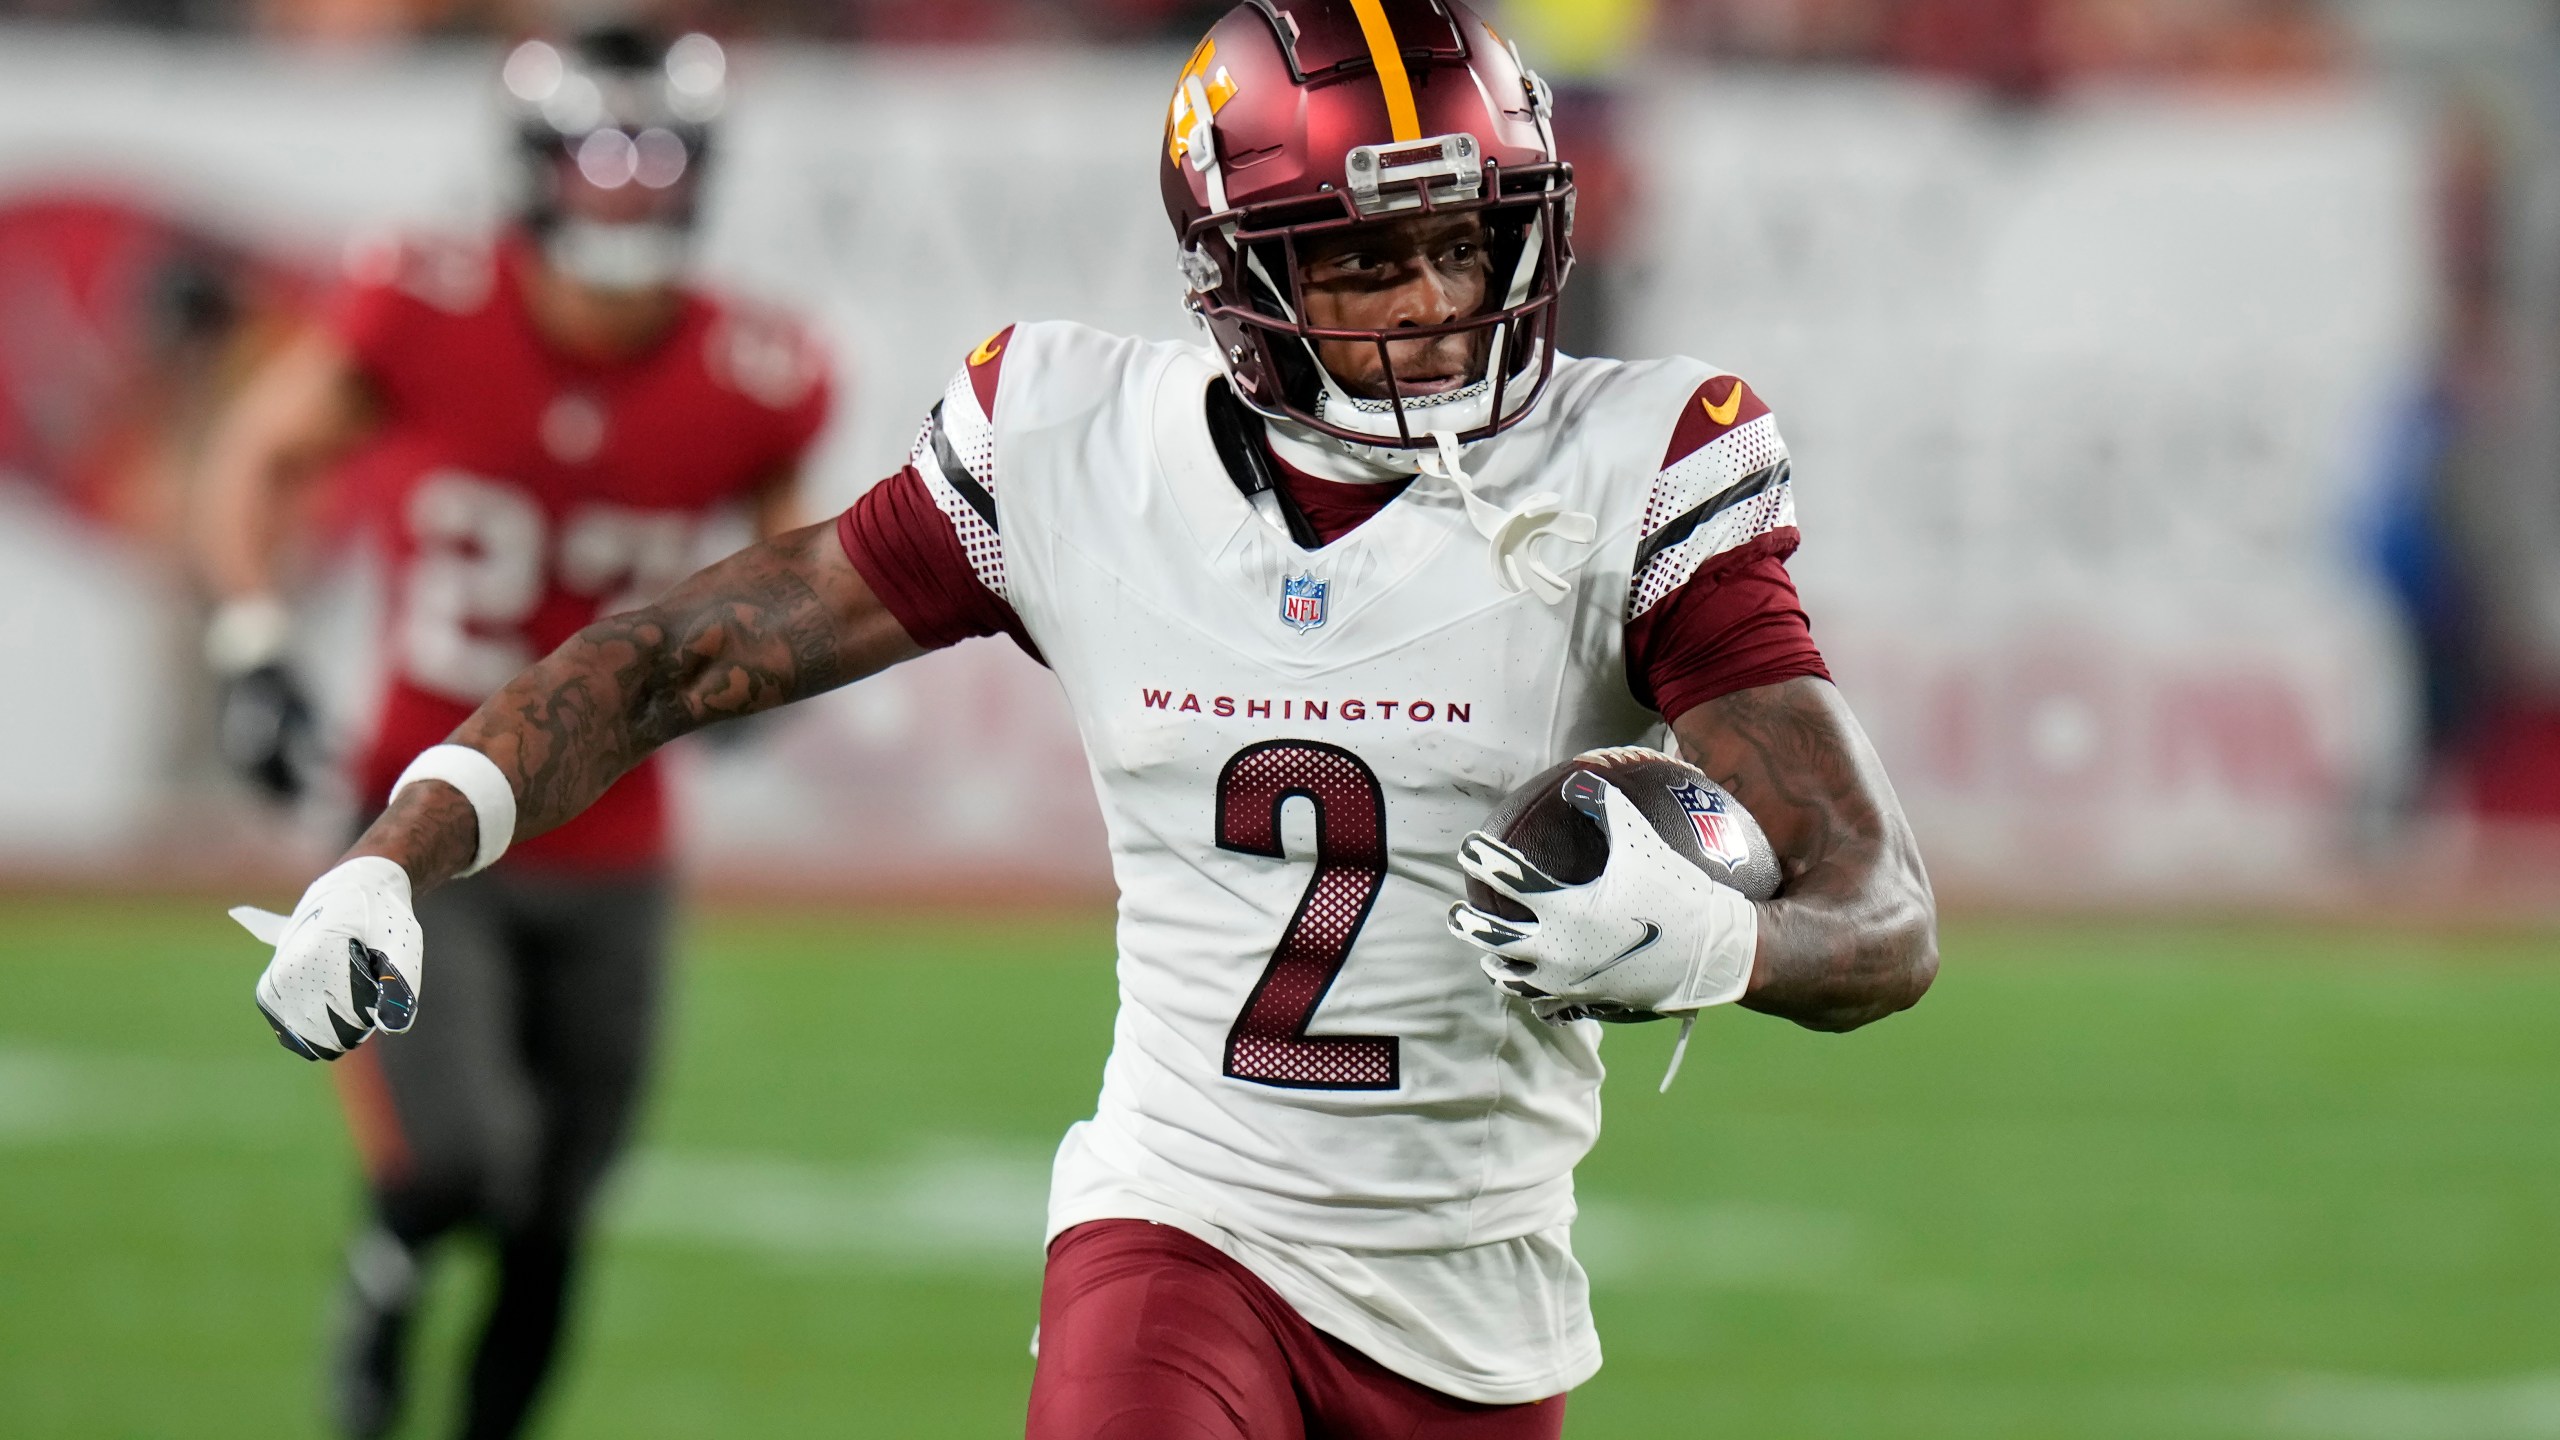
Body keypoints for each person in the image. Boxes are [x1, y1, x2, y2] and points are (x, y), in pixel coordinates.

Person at [231, 3, 1933, 1435]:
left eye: (1463, 237)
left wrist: (1726, 948)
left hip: (1479, 1286)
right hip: (1177, 1221)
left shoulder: (1641, 468)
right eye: (1361, 257)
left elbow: (1883, 912)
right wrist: (398, 851)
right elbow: (678, 653)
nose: (1428, 300)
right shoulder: (1074, 445)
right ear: (1240, 268)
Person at [199, 25, 831, 1440]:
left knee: (559, 1211)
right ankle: (383, 1281)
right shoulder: (422, 307)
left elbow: (800, 567)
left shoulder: (758, 368)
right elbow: (257, 454)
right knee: (459, 1165)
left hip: (617, 844)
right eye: (602, 158)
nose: (630, 191)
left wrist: (764, 669)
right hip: (422, 823)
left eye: (661, 160)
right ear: (537, 166)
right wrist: (250, 641)